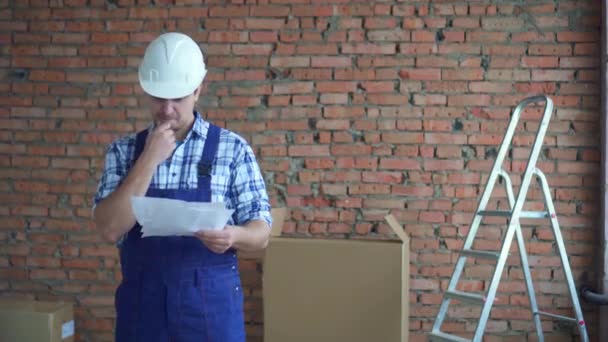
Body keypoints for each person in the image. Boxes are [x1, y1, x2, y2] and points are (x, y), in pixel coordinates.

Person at [92, 32, 272, 342]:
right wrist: (149, 158)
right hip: (143, 313)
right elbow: (109, 229)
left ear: (198, 90)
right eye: (158, 97)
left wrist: (235, 235)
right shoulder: (123, 152)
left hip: (210, 314)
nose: (166, 109)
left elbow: (262, 233)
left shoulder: (233, 150)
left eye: (178, 98)